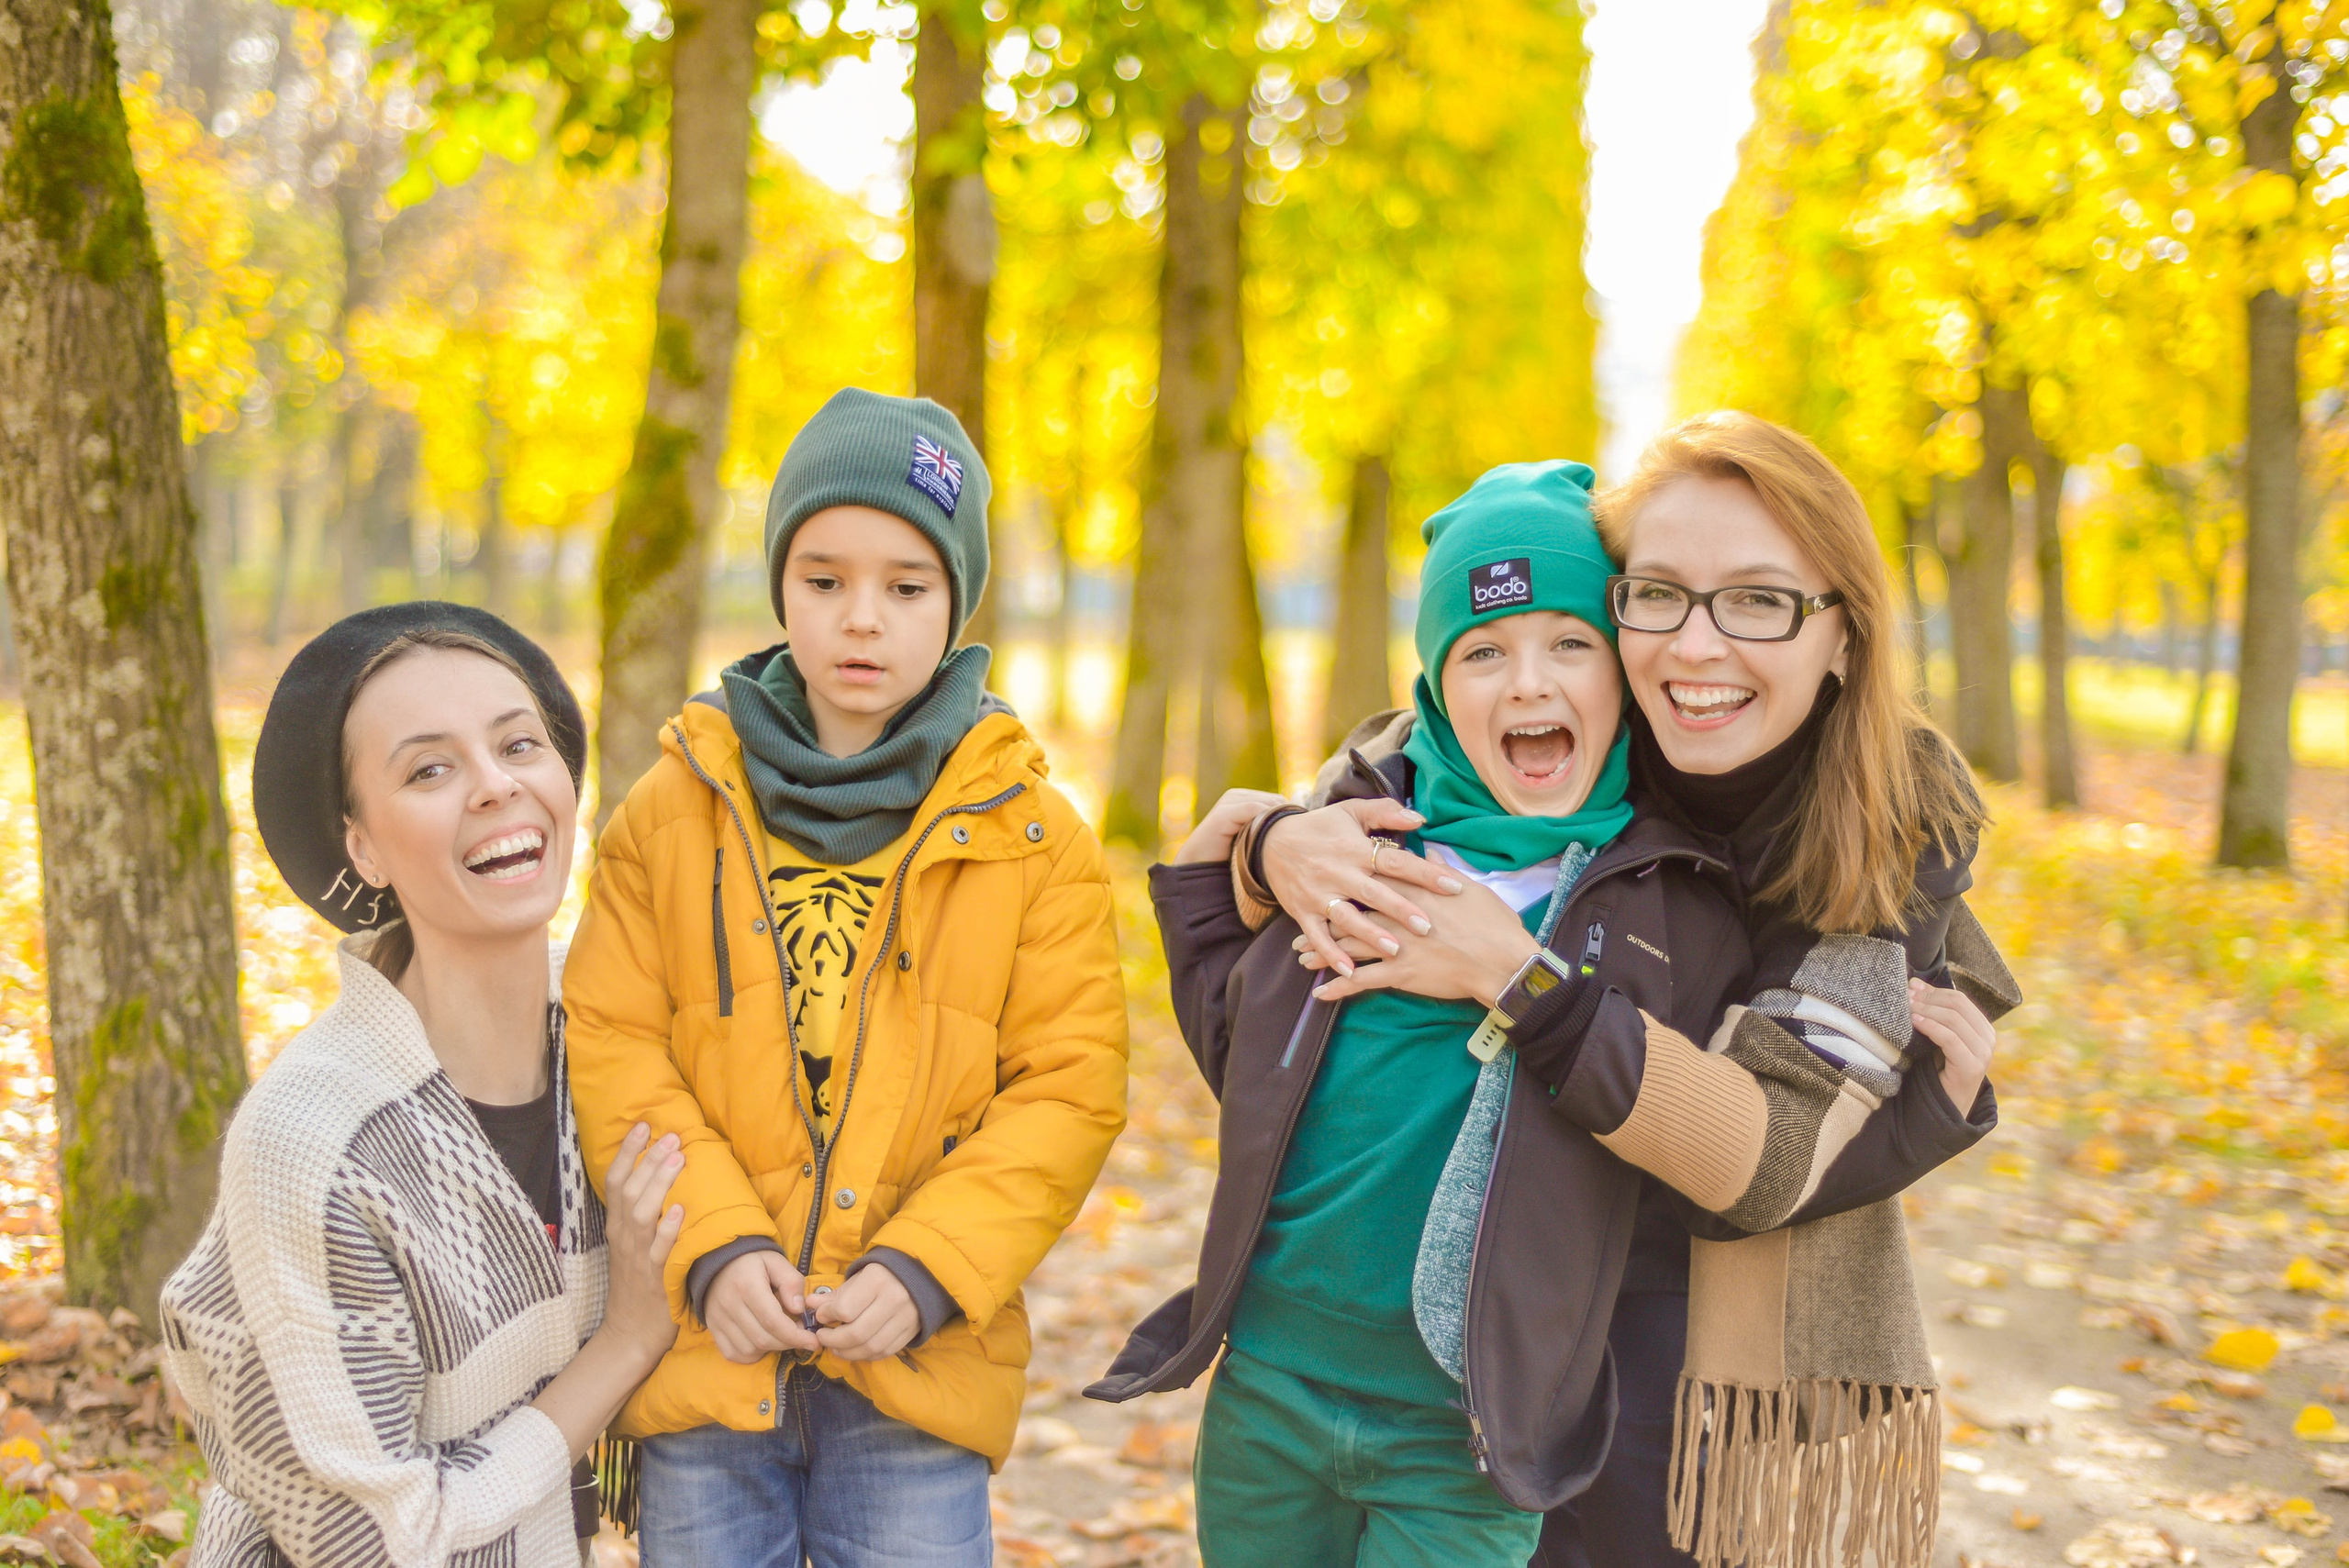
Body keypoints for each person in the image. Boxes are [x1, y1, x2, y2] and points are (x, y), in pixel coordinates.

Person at [1236, 411, 2019, 1568]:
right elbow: (1363, 795)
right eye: (1656, 594)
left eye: (1757, 601)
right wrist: (1269, 842)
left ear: (1843, 633)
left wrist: (1903, 1126)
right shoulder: (1572, 720)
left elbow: (1763, 1162)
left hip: (1696, 1334)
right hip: (1496, 1294)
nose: (1695, 648)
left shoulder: (1892, 828)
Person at [1092, 461, 1788, 1565]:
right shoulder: (1360, 830)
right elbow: (1248, 1056)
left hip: (1468, 1431)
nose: (1527, 685)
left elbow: (1705, 1142)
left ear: (1624, 669)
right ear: (1432, 679)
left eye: (1569, 643)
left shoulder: (1668, 895)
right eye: (1482, 651)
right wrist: (1228, 865)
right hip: (1270, 1385)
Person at [564, 389, 1129, 1568]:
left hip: (915, 1370)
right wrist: (711, 1248)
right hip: (708, 1355)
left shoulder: (1034, 839)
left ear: (956, 600)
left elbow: (1067, 1089)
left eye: (905, 586)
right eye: (824, 580)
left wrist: (928, 1268)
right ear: (780, 586)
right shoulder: (671, 810)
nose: (860, 619)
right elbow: (616, 1042)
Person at [160, 603, 687, 1566]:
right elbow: (372, 1541)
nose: (496, 786)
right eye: (430, 769)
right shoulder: (313, 1143)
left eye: (519, 744)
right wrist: (627, 1337)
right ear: (360, 843)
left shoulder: (633, 1035)